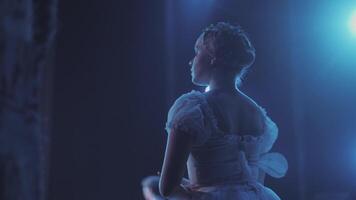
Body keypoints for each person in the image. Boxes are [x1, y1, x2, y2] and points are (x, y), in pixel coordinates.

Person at [143, 22, 288, 200]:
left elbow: (167, 188)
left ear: (213, 57)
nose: (191, 60)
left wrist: (188, 187)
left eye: (197, 52)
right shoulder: (257, 113)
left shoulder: (193, 108)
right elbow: (252, 183)